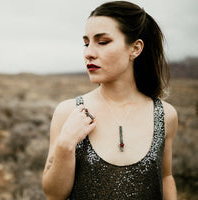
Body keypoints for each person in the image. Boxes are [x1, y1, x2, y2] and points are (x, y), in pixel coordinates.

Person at [42, 1, 178, 200]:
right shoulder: (69, 112)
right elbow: (54, 195)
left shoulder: (165, 115)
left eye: (103, 42)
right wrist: (65, 144)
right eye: (86, 43)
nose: (88, 52)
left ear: (135, 48)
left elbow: (166, 177)